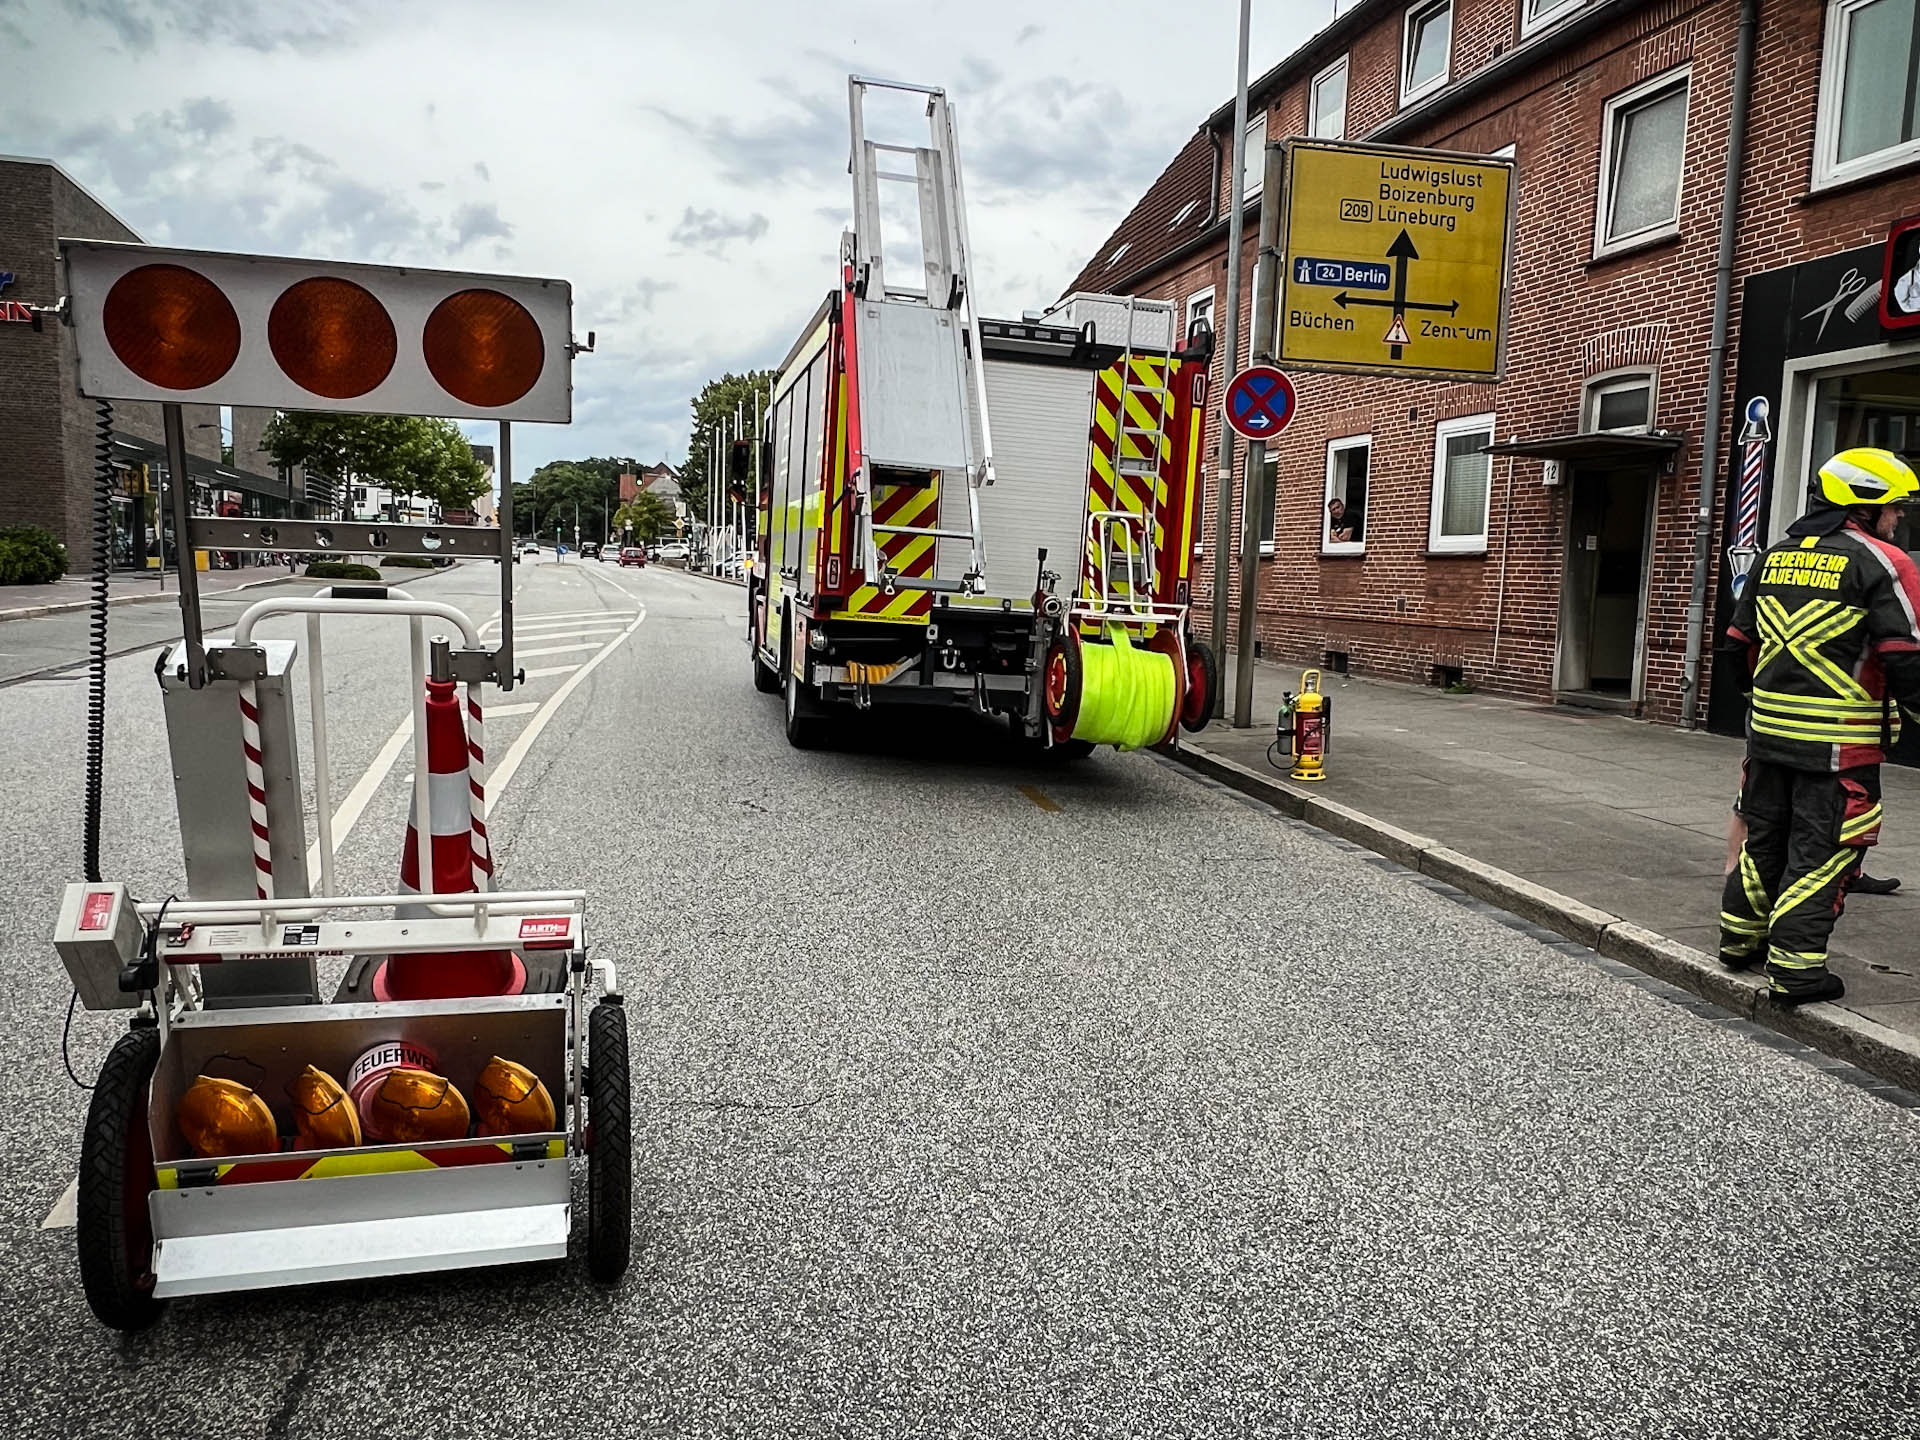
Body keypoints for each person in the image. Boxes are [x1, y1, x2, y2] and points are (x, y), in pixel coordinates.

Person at [1718, 448, 1920, 1005]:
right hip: (1839, 749)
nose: (1900, 516)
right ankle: (1796, 972)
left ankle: (1738, 942)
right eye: (1896, 506)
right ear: (1866, 504)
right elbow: (1906, 658)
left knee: (1764, 842)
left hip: (1767, 740)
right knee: (1824, 854)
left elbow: (1736, 646)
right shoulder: (1883, 562)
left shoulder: (1773, 556)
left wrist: (1764, 704)